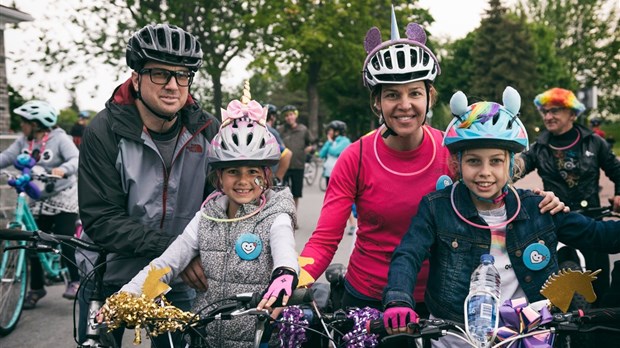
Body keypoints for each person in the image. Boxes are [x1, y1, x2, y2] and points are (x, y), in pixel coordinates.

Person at [297, 8, 565, 315]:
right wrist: (292, 277)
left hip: (446, 299)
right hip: (370, 297)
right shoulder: (354, 157)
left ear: (430, 96)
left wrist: (544, 204)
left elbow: (499, 192)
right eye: (391, 95)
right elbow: (325, 239)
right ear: (376, 102)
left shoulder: (457, 150)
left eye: (414, 93)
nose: (405, 105)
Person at [381, 87, 620, 347]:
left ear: (511, 164)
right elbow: (408, 255)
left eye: (495, 161)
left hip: (529, 338)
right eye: (474, 161)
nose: (485, 172)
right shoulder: (436, 208)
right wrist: (398, 299)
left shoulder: (538, 208)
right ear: (457, 163)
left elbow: (599, 236)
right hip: (455, 340)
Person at [100, 91, 298, 348]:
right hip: (205, 336)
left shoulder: (275, 214)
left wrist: (284, 274)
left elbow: (284, 245)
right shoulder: (207, 215)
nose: (243, 181)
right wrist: (127, 294)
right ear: (218, 176)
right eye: (233, 172)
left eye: (253, 171)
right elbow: (167, 262)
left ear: (266, 175)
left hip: (259, 337)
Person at [77, 23, 220, 345]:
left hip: (176, 279)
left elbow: (224, 203)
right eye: (160, 74)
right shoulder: (104, 131)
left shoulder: (208, 129)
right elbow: (102, 218)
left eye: (182, 75)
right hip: (107, 272)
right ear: (136, 78)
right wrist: (175, 252)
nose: (172, 85)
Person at [520, 87, 620, 305]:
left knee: (599, 288)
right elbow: (519, 165)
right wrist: (501, 169)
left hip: (592, 221)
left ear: (573, 114)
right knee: (553, 290)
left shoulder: (594, 142)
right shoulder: (539, 147)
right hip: (555, 223)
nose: (548, 116)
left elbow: (617, 171)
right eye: (544, 111)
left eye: (555, 110)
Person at [0, 100, 81, 307]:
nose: (22, 126)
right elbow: (7, 156)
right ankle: (36, 288)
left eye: (24, 122)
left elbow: (75, 158)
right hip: (37, 197)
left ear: (36, 123)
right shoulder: (23, 141)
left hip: (62, 196)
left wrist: (62, 169)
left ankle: (75, 280)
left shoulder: (60, 138)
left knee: (64, 239)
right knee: (32, 242)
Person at [318, 120, 356, 234]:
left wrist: (330, 143)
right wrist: (329, 143)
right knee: (331, 200)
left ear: (337, 131)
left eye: (330, 130)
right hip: (329, 173)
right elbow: (321, 154)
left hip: (341, 174)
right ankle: (332, 226)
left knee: (343, 199)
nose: (328, 132)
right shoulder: (331, 142)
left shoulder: (345, 141)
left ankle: (353, 224)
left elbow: (335, 152)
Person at [278, 104, 315, 208]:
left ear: (295, 115)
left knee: (296, 194)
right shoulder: (280, 130)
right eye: (286, 115)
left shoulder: (303, 130)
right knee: (281, 193)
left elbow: (312, 144)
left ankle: (293, 218)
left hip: (298, 166)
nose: (289, 117)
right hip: (283, 167)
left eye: (291, 114)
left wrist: (311, 149)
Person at [265, 103, 293, 185]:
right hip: (271, 172)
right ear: (272, 117)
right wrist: (278, 177)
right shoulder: (273, 131)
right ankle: (277, 181)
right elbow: (285, 153)